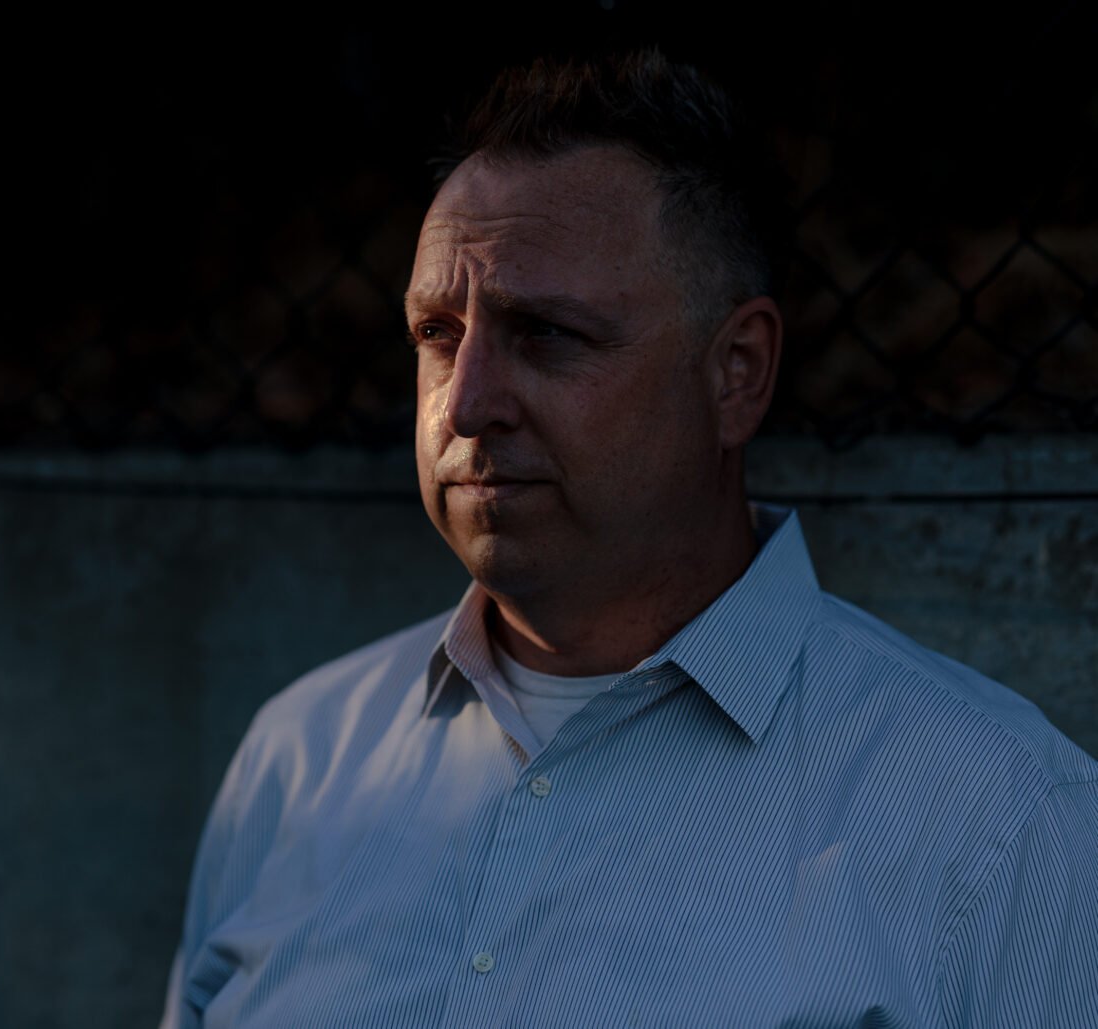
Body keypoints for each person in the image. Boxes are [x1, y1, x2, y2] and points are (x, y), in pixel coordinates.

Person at [161, 51, 1098, 1028]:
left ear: (736, 371)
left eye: (548, 335)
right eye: (438, 334)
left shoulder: (1001, 825)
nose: (468, 404)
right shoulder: (299, 759)